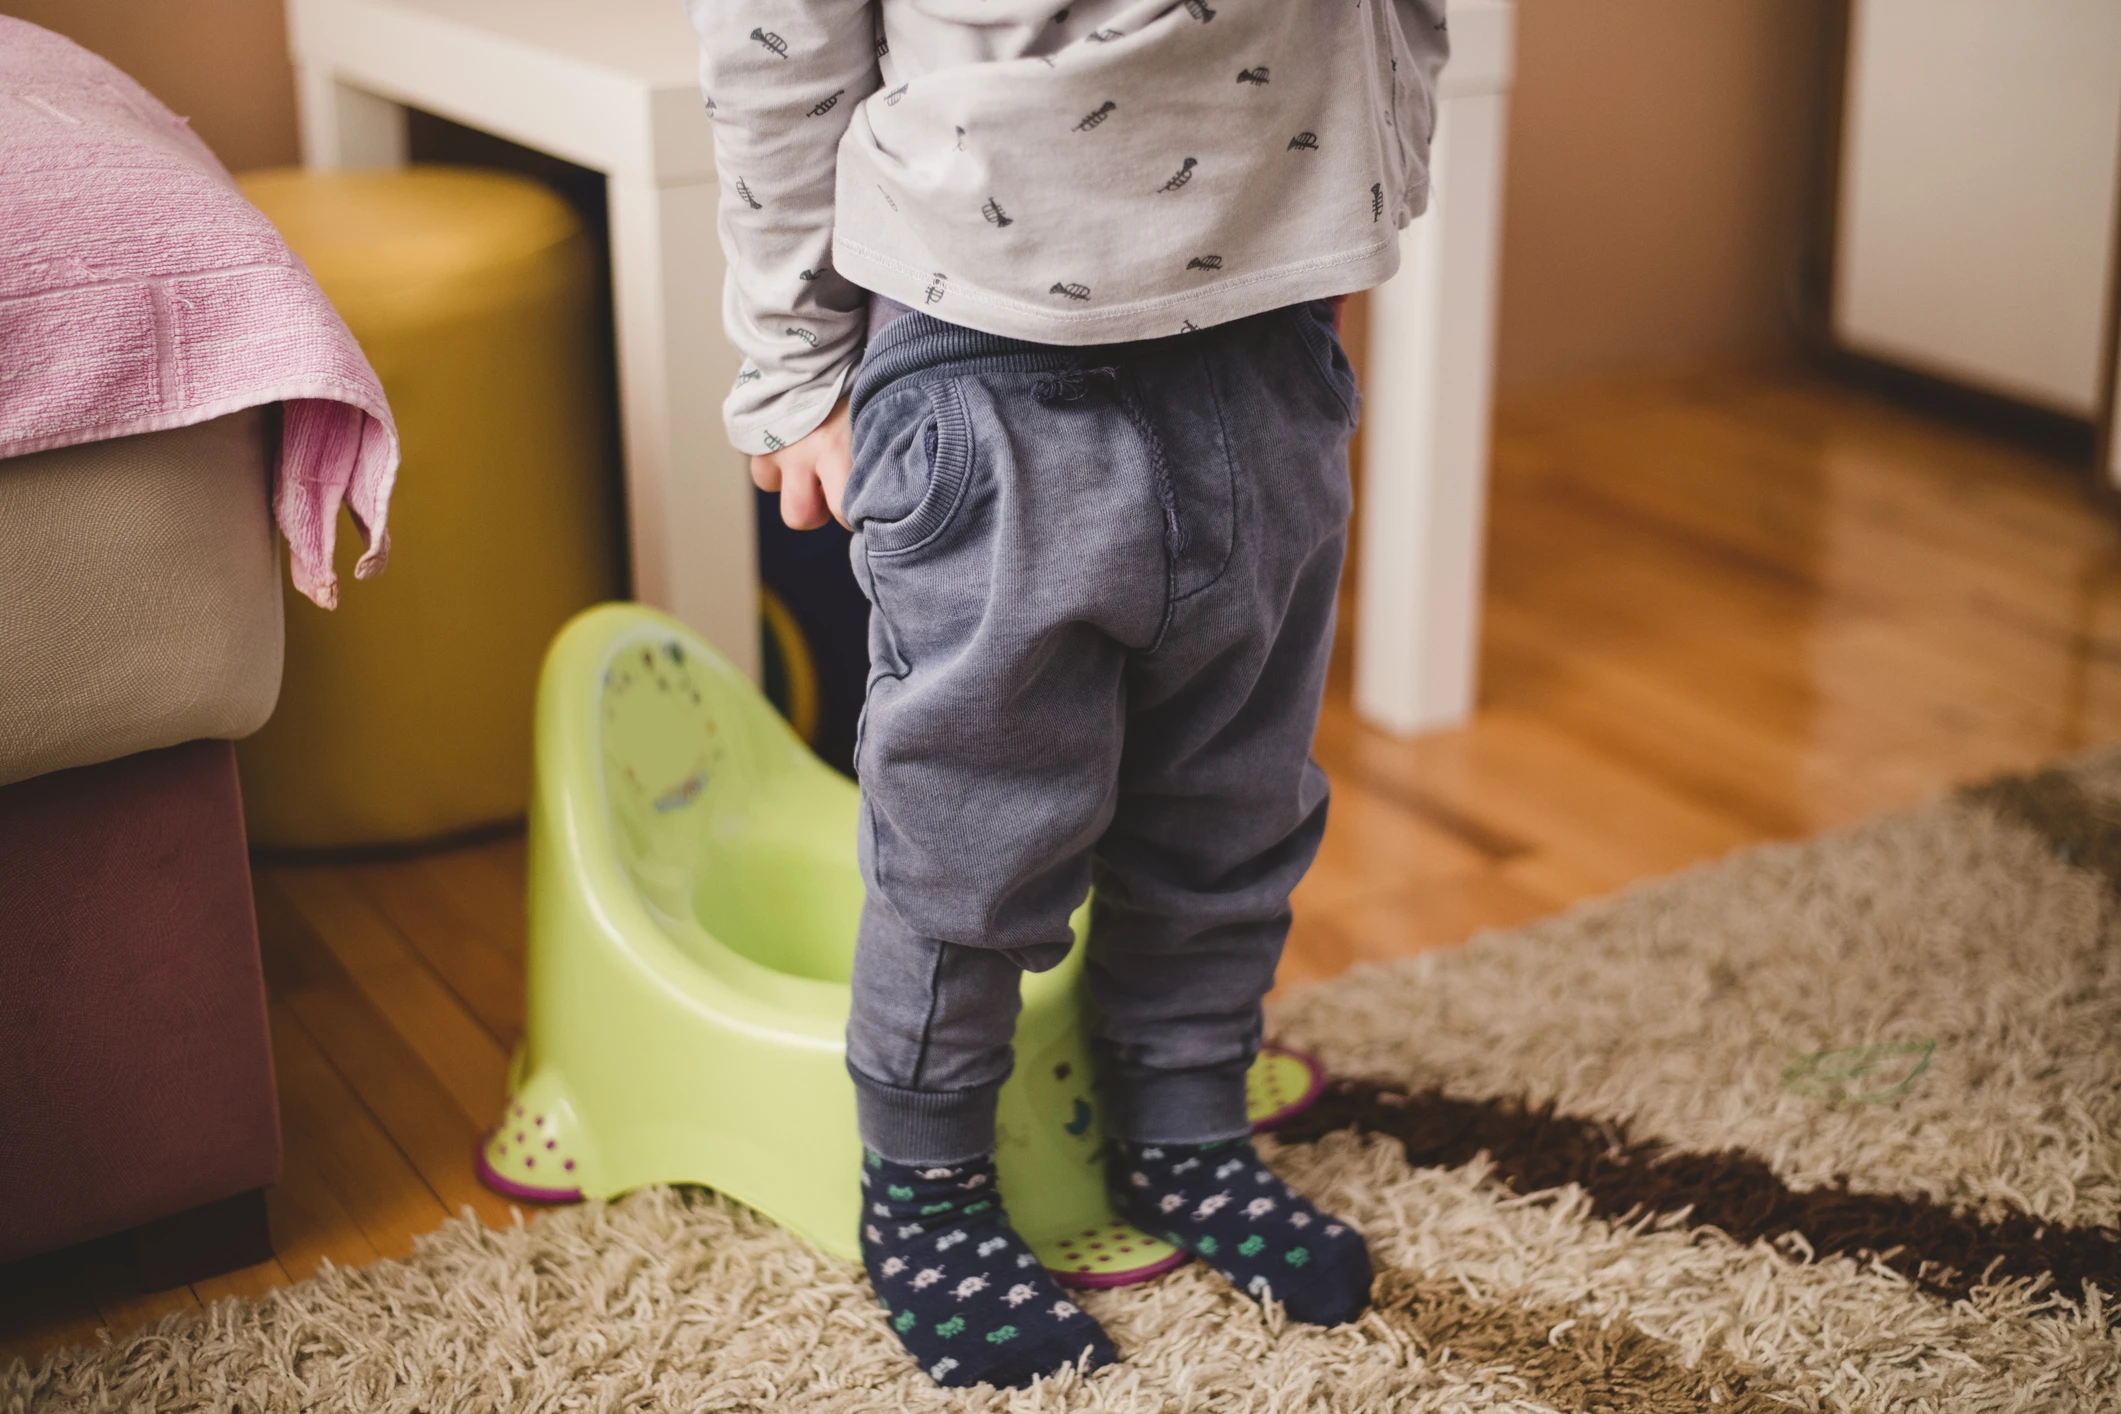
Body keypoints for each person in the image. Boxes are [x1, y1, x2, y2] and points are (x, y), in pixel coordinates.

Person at [684, 0, 1449, 1389]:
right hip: (989, 351)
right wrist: (797, 365)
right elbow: (775, 39)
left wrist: (1385, 154)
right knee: (975, 834)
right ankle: (922, 1182)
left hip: (1270, 328)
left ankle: (1184, 1117)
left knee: (1236, 797)